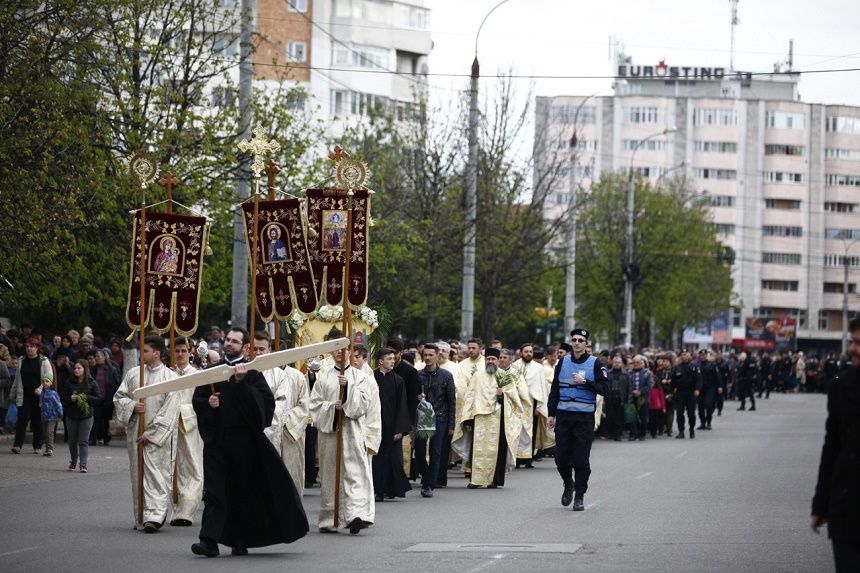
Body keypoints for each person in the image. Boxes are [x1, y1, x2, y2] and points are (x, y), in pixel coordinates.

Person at [192, 327, 308, 557]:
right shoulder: (212, 371)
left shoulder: (253, 373)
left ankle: (239, 540)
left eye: (235, 341)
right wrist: (209, 404)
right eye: (228, 339)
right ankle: (209, 541)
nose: (229, 344)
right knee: (214, 491)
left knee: (241, 491)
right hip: (217, 441)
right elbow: (198, 399)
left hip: (243, 443)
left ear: (244, 346)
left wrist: (241, 384)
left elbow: (265, 405)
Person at [308, 331, 376, 535]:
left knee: (355, 472)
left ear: (350, 351)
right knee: (330, 474)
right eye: (335, 348)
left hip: (352, 432)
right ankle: (330, 517)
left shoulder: (361, 377)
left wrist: (349, 392)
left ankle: (357, 515)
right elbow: (315, 406)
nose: (339, 352)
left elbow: (364, 404)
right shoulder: (322, 379)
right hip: (331, 433)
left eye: (343, 348)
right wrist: (332, 407)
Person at [113, 335, 180, 532]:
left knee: (157, 475)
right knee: (139, 474)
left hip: (158, 438)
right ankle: (141, 515)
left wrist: (152, 433)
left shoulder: (171, 378)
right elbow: (119, 397)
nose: (142, 354)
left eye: (146, 351)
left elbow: (171, 409)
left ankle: (156, 515)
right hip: (136, 433)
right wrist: (133, 406)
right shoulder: (134, 374)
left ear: (157, 353)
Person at [811, 316, 860, 572]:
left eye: (858, 343)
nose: (852, 349)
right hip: (848, 505)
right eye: (852, 342)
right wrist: (821, 504)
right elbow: (832, 447)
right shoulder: (841, 386)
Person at [547, 328, 608, 511]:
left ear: (586, 343)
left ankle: (579, 495)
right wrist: (551, 414)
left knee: (581, 459)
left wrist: (586, 382)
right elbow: (555, 389)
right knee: (560, 457)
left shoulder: (595, 363)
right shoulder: (563, 362)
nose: (576, 343)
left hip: (584, 419)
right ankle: (568, 483)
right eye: (574, 340)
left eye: (580, 340)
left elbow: (605, 389)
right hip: (564, 416)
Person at [452, 348, 526, 489]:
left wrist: (502, 395)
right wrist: (468, 419)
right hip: (479, 420)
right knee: (478, 450)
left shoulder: (505, 377)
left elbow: (515, 402)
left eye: (493, 359)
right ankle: (477, 480)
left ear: (498, 361)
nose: (490, 361)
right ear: (485, 360)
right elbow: (470, 398)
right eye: (488, 359)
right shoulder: (478, 376)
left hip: (498, 420)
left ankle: (494, 480)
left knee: (496, 451)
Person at [253, 331, 310, 498]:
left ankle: (293, 505)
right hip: (267, 430)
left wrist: (287, 420)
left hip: (291, 431)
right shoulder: (258, 373)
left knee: (292, 471)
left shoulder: (297, 376)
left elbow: (305, 405)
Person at [414, 343, 456, 498]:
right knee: (418, 451)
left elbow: (452, 401)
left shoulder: (446, 376)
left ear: (437, 356)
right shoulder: (418, 375)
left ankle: (429, 484)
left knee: (436, 451)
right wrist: (417, 398)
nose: (428, 358)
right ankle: (426, 477)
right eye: (425, 355)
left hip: (440, 417)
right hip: (422, 418)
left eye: (431, 355)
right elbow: (412, 397)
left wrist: (451, 424)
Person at [169, 337, 203, 527]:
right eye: (177, 350)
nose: (180, 354)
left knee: (192, 467)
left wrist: (180, 412)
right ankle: (175, 508)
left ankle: (187, 510)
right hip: (170, 429)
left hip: (191, 427)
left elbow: (200, 403)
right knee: (172, 468)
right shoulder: (167, 375)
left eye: (183, 351)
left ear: (190, 352)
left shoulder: (196, 375)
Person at [371, 347, 412, 501]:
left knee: (391, 459)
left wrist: (400, 429)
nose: (392, 361)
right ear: (380, 361)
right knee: (377, 458)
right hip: (375, 425)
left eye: (393, 359)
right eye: (389, 359)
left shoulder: (398, 380)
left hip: (392, 426)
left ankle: (390, 489)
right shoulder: (371, 378)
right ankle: (377, 490)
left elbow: (402, 405)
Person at [10, 337, 53, 454]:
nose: (29, 349)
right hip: (24, 395)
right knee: (22, 419)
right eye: (27, 346)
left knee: (37, 421)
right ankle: (17, 445)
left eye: (32, 346)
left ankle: (37, 446)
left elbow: (48, 378)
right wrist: (12, 393)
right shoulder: (21, 360)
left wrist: (40, 389)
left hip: (39, 395)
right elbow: (17, 379)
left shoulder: (44, 361)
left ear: (37, 348)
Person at [514, 343, 553, 465]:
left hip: (533, 404)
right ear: (521, 353)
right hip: (518, 403)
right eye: (526, 352)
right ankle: (517, 457)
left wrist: (539, 406)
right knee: (517, 431)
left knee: (532, 431)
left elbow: (542, 388)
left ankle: (528, 459)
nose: (529, 354)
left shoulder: (538, 368)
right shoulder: (514, 366)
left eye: (530, 352)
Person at [63, 360, 100, 472]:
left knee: (83, 441)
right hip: (71, 416)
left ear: (85, 369)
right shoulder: (69, 382)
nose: (76, 370)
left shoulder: (92, 382)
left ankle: (83, 464)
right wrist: (70, 398)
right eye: (75, 368)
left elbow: (98, 399)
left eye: (79, 368)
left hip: (86, 416)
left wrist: (86, 397)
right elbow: (62, 398)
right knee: (72, 441)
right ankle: (73, 461)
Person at [670, 350, 702, 439]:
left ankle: (691, 429)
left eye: (686, 355)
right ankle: (681, 431)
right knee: (679, 413)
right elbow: (673, 381)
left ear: (689, 356)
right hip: (680, 392)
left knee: (691, 413)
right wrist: (670, 392)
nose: (684, 356)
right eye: (682, 355)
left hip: (691, 393)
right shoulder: (677, 367)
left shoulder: (694, 367)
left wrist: (697, 389)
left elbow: (699, 380)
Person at [604, 355, 630, 441]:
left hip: (621, 398)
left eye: (619, 362)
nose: (617, 364)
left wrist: (629, 399)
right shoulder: (608, 373)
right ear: (612, 363)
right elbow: (604, 386)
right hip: (610, 398)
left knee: (619, 418)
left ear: (622, 363)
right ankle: (611, 433)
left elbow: (629, 388)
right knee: (610, 417)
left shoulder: (626, 374)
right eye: (615, 362)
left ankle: (618, 435)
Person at [628, 354, 652, 441]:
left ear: (642, 363)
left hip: (643, 398)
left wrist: (640, 392)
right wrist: (633, 391)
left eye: (638, 362)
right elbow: (628, 385)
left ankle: (642, 434)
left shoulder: (647, 373)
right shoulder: (629, 373)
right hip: (631, 398)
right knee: (631, 416)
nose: (636, 364)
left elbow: (649, 385)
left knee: (643, 417)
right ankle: (633, 434)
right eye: (634, 362)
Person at [697, 350, 722, 430]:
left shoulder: (712, 365)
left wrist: (720, 386)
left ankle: (709, 421)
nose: (703, 356)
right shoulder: (697, 365)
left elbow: (718, 376)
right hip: (700, 388)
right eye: (701, 355)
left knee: (708, 405)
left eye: (704, 355)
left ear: (706, 355)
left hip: (710, 388)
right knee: (700, 407)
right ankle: (702, 423)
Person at [40, 378, 63, 457]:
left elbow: (58, 404)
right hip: (44, 416)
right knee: (45, 433)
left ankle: (50, 448)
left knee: (49, 432)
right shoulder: (42, 393)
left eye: (47, 381)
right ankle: (47, 448)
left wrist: (60, 413)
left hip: (52, 416)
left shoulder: (53, 393)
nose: (45, 383)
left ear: (51, 383)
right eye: (43, 381)